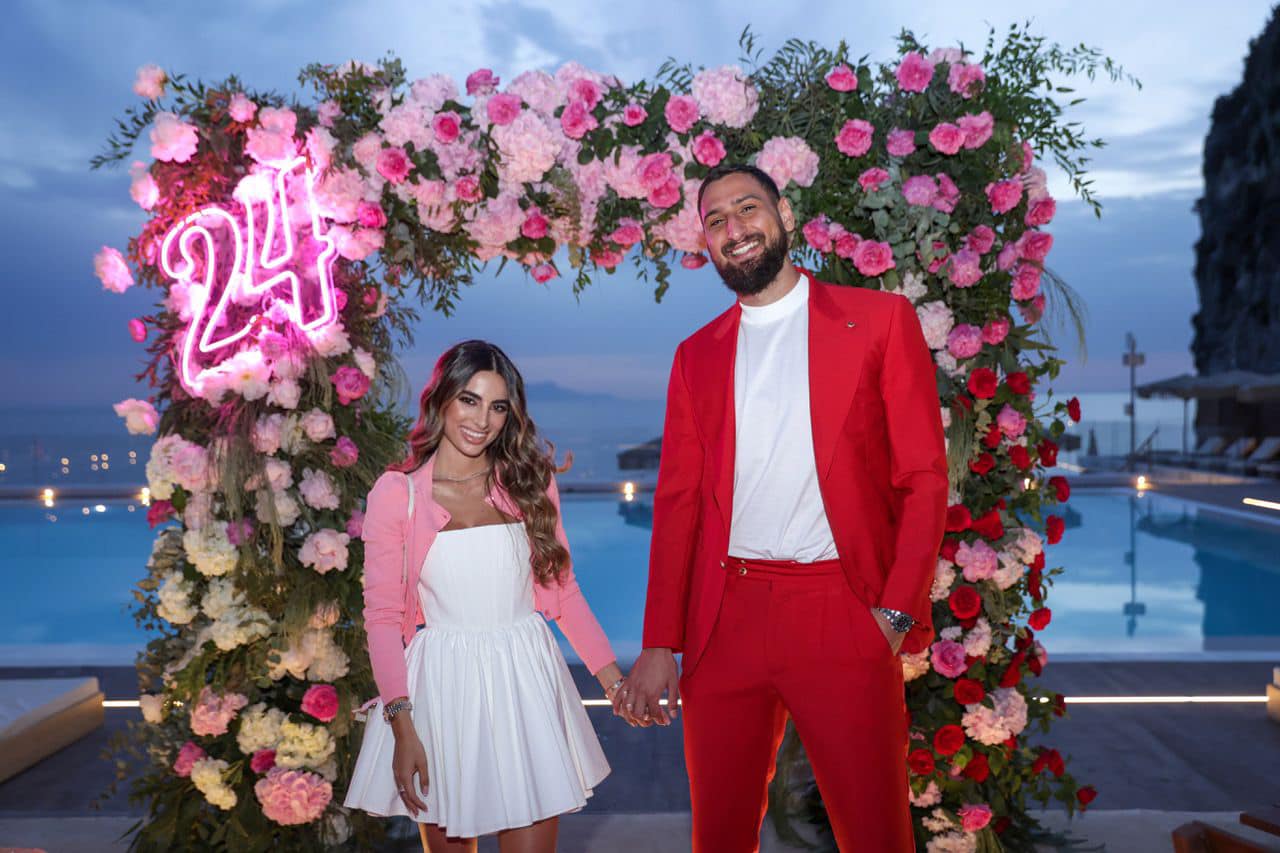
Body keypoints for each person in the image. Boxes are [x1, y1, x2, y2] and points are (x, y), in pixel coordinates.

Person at [617, 164, 948, 851]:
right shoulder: (695, 356)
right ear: (706, 242)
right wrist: (658, 641)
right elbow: (677, 504)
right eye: (716, 220)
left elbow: (924, 478)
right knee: (719, 835)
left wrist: (894, 614)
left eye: (747, 208)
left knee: (877, 834)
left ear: (785, 214)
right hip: (724, 622)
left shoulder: (879, 321)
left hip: (840, 610)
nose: (734, 228)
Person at [345, 340, 625, 853]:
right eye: (469, 400)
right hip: (442, 691)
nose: (483, 420)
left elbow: (563, 591)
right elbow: (381, 618)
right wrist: (403, 727)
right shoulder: (398, 494)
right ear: (442, 398)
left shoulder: (528, 482)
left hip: (526, 684)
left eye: (497, 406)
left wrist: (613, 681)